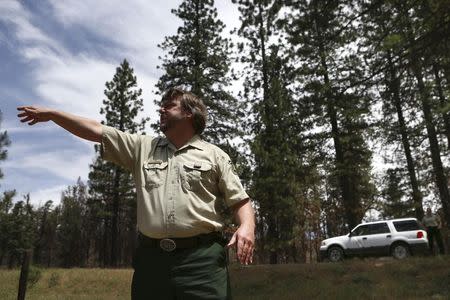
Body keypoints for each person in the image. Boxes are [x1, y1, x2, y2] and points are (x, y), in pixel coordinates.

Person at [17, 87, 255, 299]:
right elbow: (96, 130)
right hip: (152, 262)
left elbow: (240, 201)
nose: (161, 109)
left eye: (169, 106)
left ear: (189, 113)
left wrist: (247, 227)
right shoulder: (142, 147)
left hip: (202, 263)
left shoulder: (215, 155)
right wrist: (52, 115)